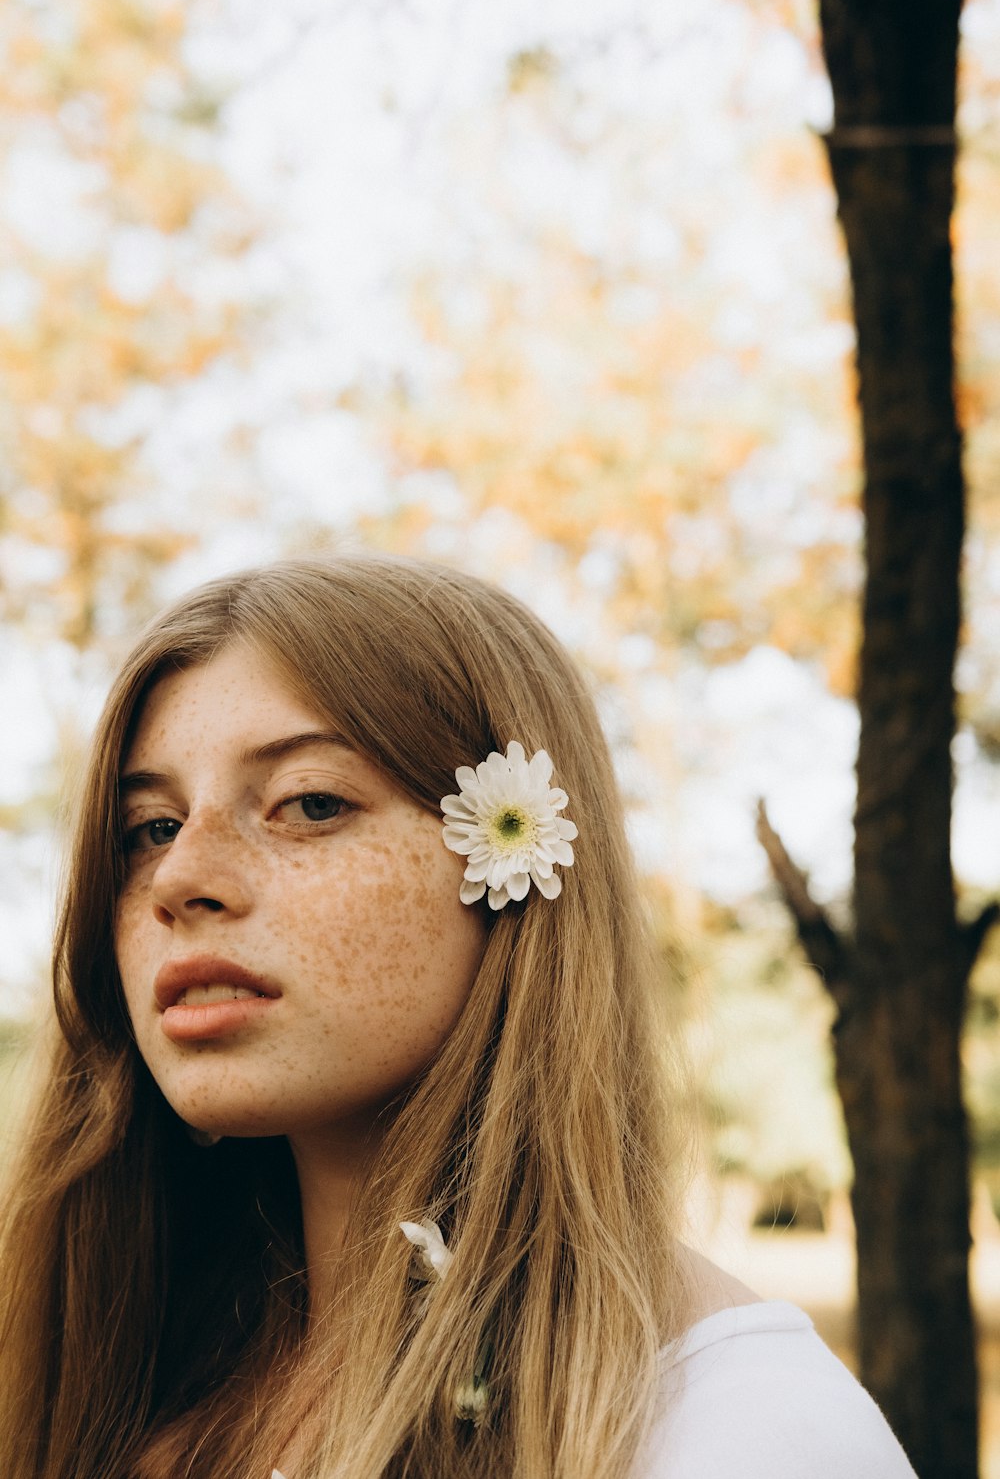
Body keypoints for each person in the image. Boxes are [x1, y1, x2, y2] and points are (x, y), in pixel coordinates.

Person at [0, 555, 916, 1479]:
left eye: (309, 804)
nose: (180, 878)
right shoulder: (114, 1384)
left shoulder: (744, 1433)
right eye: (150, 828)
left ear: (515, 854)